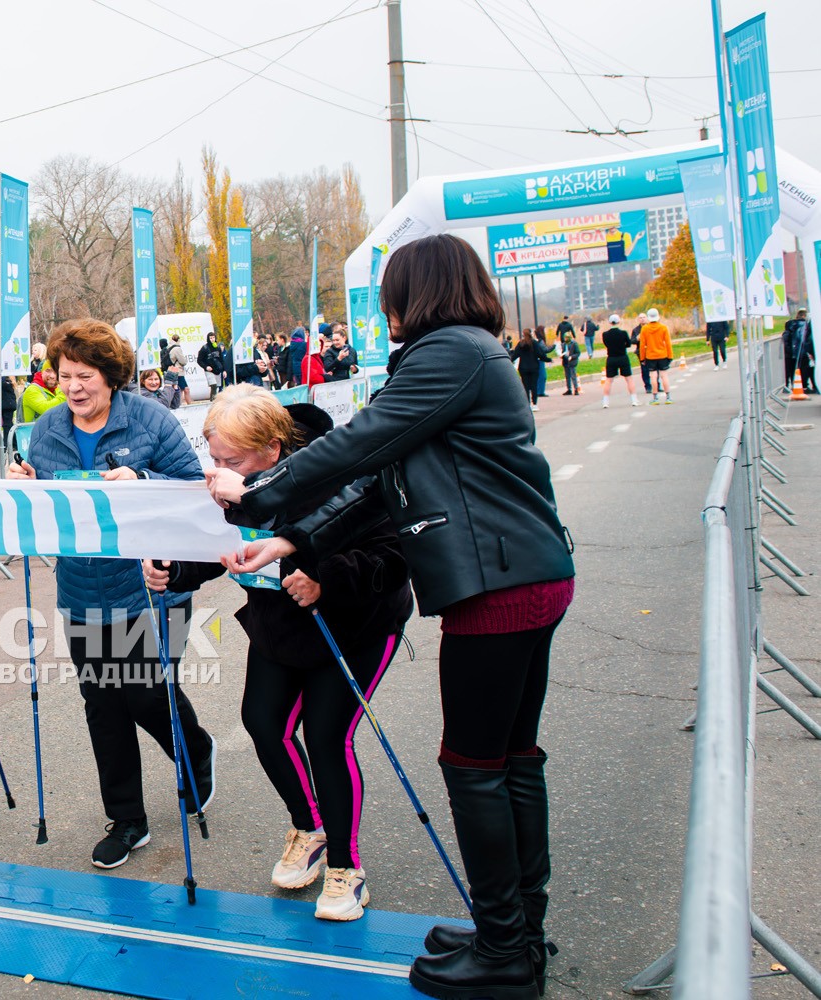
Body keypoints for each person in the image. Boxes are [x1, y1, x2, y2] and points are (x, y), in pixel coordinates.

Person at [208, 234, 574, 1000]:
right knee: (510, 759)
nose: (386, 308)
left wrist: (261, 493)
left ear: (416, 293)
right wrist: (288, 534)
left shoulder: (448, 354)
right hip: (520, 575)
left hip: (499, 586)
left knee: (476, 767)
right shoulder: (466, 353)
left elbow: (361, 444)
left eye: (390, 292)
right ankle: (514, 931)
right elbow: (380, 481)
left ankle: (508, 953)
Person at [144, 386, 411, 919]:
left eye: (232, 461)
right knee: (263, 723)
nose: (219, 471)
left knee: (328, 737)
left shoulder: (335, 470)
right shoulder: (229, 478)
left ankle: (345, 865)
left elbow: (393, 556)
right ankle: (309, 827)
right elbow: (224, 549)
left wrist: (324, 579)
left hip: (355, 624)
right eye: (213, 458)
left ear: (273, 448)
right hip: (279, 624)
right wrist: (176, 571)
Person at [7, 318, 215, 870]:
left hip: (151, 589)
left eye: (85, 375)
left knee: (145, 695)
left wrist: (145, 483)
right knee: (103, 703)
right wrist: (25, 486)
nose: (73, 387)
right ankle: (127, 819)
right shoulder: (46, 430)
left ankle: (194, 750)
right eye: (63, 375)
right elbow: (43, 510)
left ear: (111, 374)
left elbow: (196, 490)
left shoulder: (151, 419)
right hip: (82, 590)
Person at [600, 315, 642, 409]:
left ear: (610, 322)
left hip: (611, 357)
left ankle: (605, 402)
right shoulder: (623, 333)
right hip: (622, 357)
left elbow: (606, 344)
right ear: (619, 322)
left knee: (609, 380)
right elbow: (629, 343)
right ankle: (634, 400)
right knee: (629, 379)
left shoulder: (605, 334)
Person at [639, 308, 673, 404]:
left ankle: (655, 398)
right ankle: (668, 397)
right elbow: (668, 343)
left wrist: (642, 358)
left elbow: (642, 345)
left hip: (650, 356)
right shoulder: (663, 327)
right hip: (662, 354)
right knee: (664, 376)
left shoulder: (645, 329)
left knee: (653, 376)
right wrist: (670, 355)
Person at [511, 328, 549, 411]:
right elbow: (540, 354)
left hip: (523, 368)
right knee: (534, 385)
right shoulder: (534, 343)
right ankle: (534, 404)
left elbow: (515, 355)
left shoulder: (521, 344)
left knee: (526, 386)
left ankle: (527, 404)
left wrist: (509, 361)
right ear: (531, 334)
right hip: (534, 367)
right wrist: (548, 359)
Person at [784, 309, 814, 392]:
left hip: (792, 353)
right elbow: (803, 339)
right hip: (802, 351)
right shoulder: (803, 325)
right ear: (804, 316)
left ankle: (796, 385)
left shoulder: (792, 325)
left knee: (794, 369)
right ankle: (804, 386)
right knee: (804, 369)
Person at [630, 312, 653, 395]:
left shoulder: (651, 327)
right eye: (640, 317)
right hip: (641, 351)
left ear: (647, 318)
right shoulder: (636, 330)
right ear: (638, 319)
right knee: (644, 369)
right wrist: (637, 338)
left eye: (644, 317)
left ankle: (657, 385)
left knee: (654, 369)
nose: (642, 319)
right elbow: (632, 341)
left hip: (651, 350)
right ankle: (648, 386)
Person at [559, 331, 581, 396]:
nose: (565, 339)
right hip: (565, 361)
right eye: (565, 338)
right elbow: (563, 352)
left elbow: (578, 353)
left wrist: (572, 357)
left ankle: (576, 389)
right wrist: (562, 355)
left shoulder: (574, 344)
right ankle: (569, 389)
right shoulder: (563, 344)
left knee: (573, 375)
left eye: (567, 338)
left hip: (572, 362)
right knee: (567, 376)